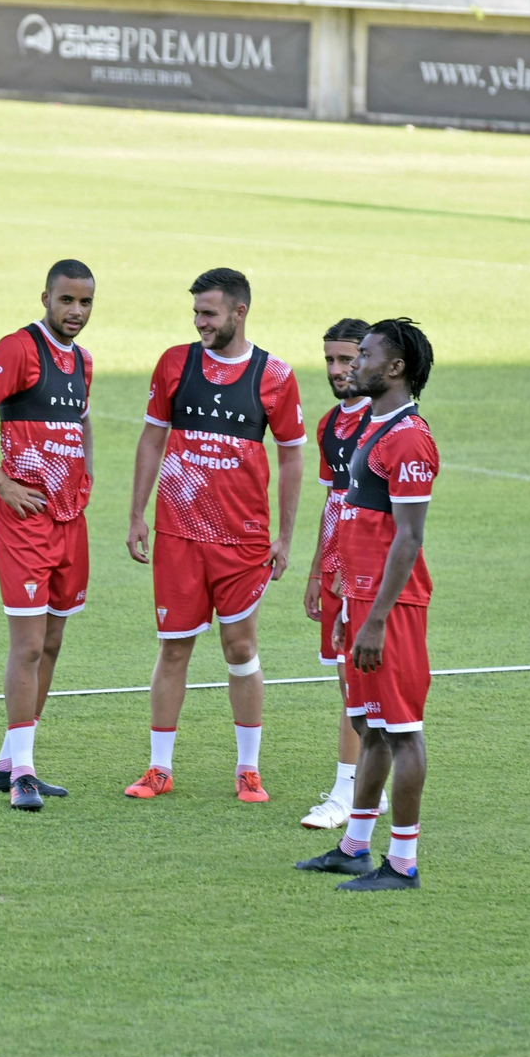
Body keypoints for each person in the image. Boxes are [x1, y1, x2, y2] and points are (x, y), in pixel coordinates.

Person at [125, 268, 305, 803]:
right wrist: (136, 514)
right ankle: (159, 768)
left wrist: (285, 536)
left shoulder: (275, 374)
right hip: (178, 533)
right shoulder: (174, 364)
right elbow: (152, 438)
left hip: (242, 540)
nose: (200, 322)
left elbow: (291, 457)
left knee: (240, 646)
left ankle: (248, 769)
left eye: (209, 313)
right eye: (196, 313)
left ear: (239, 312)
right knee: (173, 647)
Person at [0, 260, 95, 812]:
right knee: (28, 645)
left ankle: (9, 761)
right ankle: (24, 774)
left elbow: (80, 421)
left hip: (68, 518)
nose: (75, 311)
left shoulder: (83, 361)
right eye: (66, 300)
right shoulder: (18, 349)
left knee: (51, 642)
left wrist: (87, 474)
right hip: (24, 520)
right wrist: (2, 482)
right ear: (45, 298)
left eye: (84, 302)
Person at [296, 317, 438, 890]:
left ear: (396, 367)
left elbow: (409, 536)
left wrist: (375, 618)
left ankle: (402, 863)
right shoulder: (373, 427)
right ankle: (355, 846)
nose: (353, 365)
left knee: (401, 731)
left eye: (365, 356)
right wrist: (351, 609)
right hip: (362, 602)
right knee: (369, 726)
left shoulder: (409, 438)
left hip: (393, 608)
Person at [299, 318, 376, 831]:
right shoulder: (329, 424)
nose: (336, 369)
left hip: (363, 572)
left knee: (356, 682)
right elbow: (332, 503)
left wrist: (353, 572)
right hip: (334, 570)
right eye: (330, 359)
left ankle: (348, 793)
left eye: (347, 359)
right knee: (347, 682)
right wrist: (316, 571)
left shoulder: (381, 422)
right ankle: (370, 786)